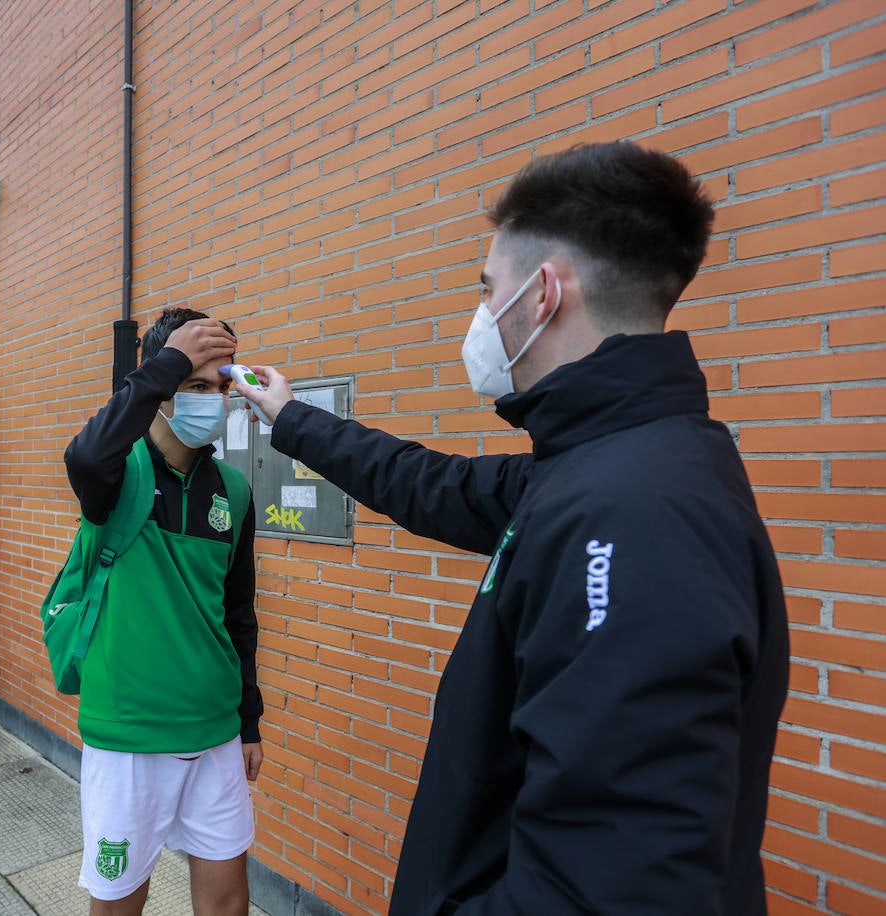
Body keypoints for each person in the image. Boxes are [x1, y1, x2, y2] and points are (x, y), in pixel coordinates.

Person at [233, 142, 790, 915]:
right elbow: (437, 485)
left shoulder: (633, 517)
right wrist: (291, 419)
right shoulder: (598, 463)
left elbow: (608, 885)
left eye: (486, 288)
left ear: (543, 294)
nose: (481, 315)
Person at [63, 307, 263, 916]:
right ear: (159, 385)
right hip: (130, 733)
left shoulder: (234, 489)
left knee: (228, 901)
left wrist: (249, 719)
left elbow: (239, 613)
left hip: (214, 731)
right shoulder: (117, 472)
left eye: (221, 387)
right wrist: (164, 362)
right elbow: (83, 456)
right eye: (194, 386)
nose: (213, 401)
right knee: (120, 900)